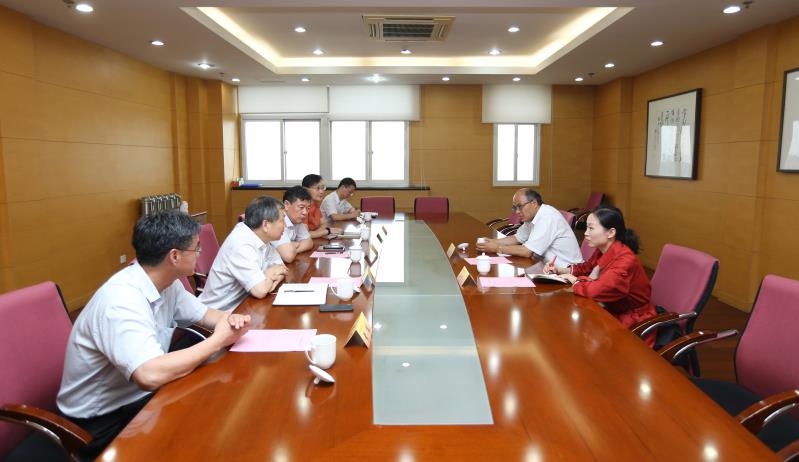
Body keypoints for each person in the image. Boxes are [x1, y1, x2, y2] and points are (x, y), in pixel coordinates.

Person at [57, 211, 251, 460]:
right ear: (174, 256)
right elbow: (149, 375)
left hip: (143, 398)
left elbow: (206, 315)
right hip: (101, 422)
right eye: (196, 248)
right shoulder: (121, 300)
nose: (200, 253)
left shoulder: (167, 283)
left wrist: (230, 320)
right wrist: (218, 340)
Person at [544, 206, 657, 346]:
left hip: (633, 321)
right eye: (586, 228)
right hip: (609, 308)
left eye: (591, 228)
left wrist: (575, 280)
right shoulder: (604, 249)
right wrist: (560, 270)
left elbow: (596, 290)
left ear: (611, 232)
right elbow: (586, 268)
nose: (585, 233)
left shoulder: (625, 261)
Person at [198, 196, 288, 312]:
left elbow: (282, 269)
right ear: (265, 225)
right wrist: (268, 275)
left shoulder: (262, 238)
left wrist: (267, 280)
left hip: (243, 305)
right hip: (218, 313)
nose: (285, 226)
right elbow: (260, 291)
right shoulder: (241, 243)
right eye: (282, 220)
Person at [476, 188, 582, 269]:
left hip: (567, 271)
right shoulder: (533, 216)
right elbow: (517, 238)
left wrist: (497, 248)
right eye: (515, 208)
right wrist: (492, 242)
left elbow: (527, 252)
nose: (517, 212)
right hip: (546, 267)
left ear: (534, 203)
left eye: (520, 206)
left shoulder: (547, 217)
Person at [274, 186, 314, 263]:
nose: (305, 212)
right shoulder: (277, 220)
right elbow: (288, 256)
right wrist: (292, 247)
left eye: (308, 208)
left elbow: (309, 243)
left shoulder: (296, 220)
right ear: (286, 205)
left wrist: (292, 247)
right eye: (301, 207)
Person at [301, 173, 342, 238]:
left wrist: (318, 233)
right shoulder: (302, 208)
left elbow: (324, 224)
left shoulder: (315, 204)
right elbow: (305, 235)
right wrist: (327, 231)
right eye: (317, 188)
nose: (321, 192)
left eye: (323, 188)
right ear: (305, 189)